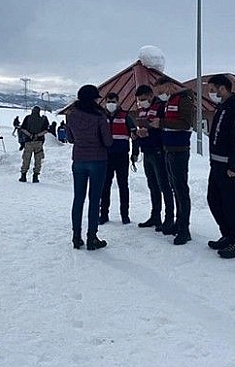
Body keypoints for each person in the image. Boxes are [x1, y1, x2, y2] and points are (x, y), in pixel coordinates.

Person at [206, 74, 235, 259]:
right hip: (216, 165)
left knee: (232, 205)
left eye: (212, 89)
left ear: (222, 88)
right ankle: (228, 235)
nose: (210, 93)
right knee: (214, 200)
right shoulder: (222, 107)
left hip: (229, 167)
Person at [66, 84, 113, 250]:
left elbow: (70, 138)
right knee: (94, 200)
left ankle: (76, 236)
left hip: (78, 159)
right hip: (98, 160)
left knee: (78, 198)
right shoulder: (100, 116)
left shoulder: (71, 115)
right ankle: (92, 237)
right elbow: (107, 141)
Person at [155, 76, 194, 245]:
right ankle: (178, 223)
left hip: (179, 150)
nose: (161, 94)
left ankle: (184, 229)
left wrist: (162, 122)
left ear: (170, 86)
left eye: (162, 91)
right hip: (168, 149)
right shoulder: (168, 102)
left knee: (181, 188)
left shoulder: (183, 100)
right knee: (174, 187)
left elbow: (185, 123)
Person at [132, 84, 175, 233]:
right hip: (147, 151)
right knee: (153, 186)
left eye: (143, 99)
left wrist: (150, 133)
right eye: (139, 100)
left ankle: (169, 218)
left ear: (150, 95)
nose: (141, 102)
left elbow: (164, 128)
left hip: (158, 151)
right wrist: (138, 135)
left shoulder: (160, 107)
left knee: (164, 186)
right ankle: (155, 215)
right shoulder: (142, 110)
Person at [99, 92, 137, 225]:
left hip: (122, 157)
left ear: (118, 102)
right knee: (105, 186)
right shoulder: (101, 117)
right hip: (105, 157)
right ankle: (103, 214)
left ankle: (125, 215)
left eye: (113, 101)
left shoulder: (126, 116)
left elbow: (134, 135)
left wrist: (135, 153)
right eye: (109, 101)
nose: (111, 104)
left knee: (123, 186)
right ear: (105, 102)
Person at [19, 106, 50, 182]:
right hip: (39, 142)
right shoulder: (43, 119)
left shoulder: (27, 118)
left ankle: (23, 175)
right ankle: (35, 176)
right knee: (38, 160)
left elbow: (22, 128)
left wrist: (30, 135)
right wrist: (37, 135)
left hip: (28, 142)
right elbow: (46, 130)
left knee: (26, 159)